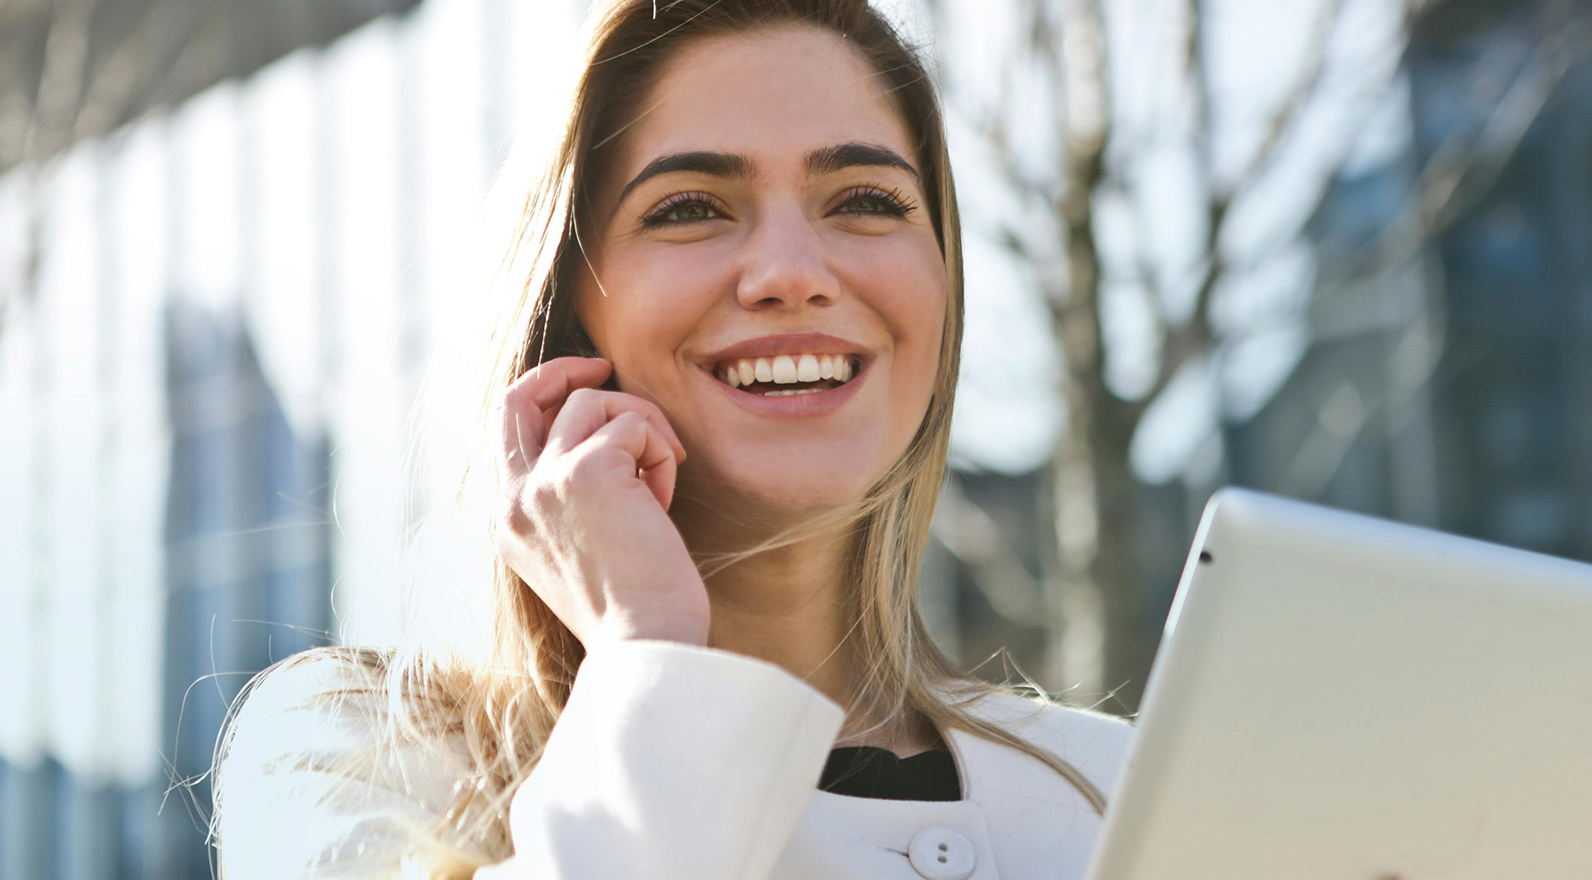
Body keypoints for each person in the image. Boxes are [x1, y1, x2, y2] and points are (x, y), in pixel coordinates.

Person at [213, 1, 1134, 877]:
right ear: (569, 311)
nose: (791, 274)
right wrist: (649, 652)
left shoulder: (1116, 788)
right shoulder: (359, 758)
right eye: (691, 207)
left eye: (866, 198)